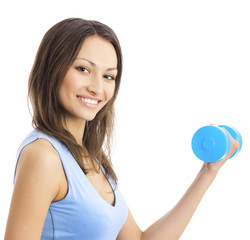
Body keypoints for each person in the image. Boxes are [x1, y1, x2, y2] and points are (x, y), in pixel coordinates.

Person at [4, 18, 239, 240]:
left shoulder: (90, 155)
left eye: (108, 76)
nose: (97, 88)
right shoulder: (43, 157)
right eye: (83, 69)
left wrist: (208, 172)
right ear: (52, 68)